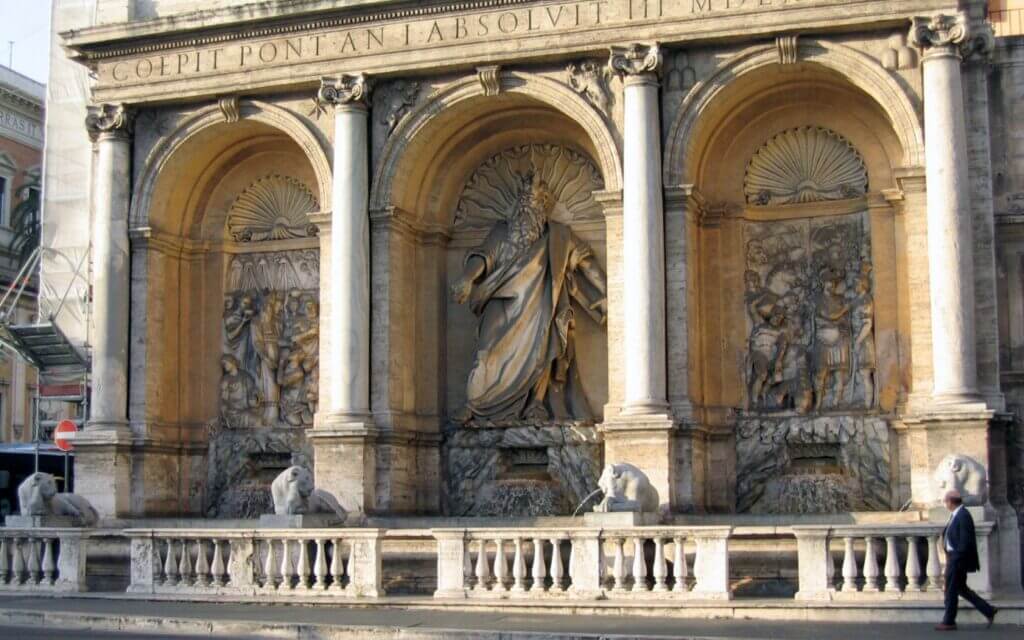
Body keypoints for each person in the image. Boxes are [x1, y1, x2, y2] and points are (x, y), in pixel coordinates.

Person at [936, 489, 997, 631]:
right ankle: (988, 610)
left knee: (950, 590)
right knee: (961, 589)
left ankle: (949, 621)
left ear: (950, 502)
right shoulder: (957, 515)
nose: (945, 504)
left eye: (945, 501)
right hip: (954, 558)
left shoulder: (963, 516)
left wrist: (955, 559)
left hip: (957, 559)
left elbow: (965, 541)